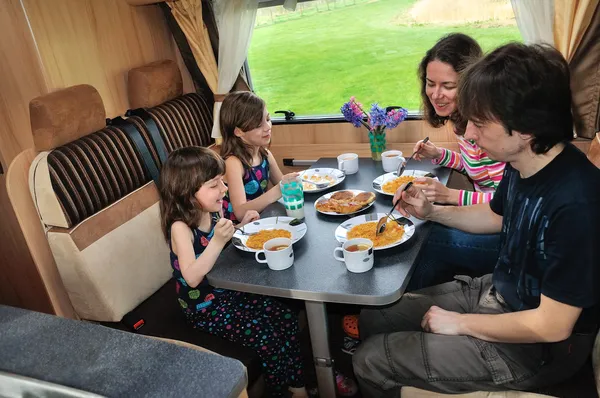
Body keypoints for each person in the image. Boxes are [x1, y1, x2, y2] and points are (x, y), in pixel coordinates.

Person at [352, 43, 600, 397]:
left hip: (536, 352)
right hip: (498, 293)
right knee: (372, 317)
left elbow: (553, 325)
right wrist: (432, 212)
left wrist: (461, 324)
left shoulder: (578, 202)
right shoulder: (522, 162)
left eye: (480, 123)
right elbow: (494, 215)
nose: (468, 134)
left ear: (526, 129)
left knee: (369, 361)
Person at [159, 146, 309, 398]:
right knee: (268, 340)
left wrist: (240, 226)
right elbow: (192, 277)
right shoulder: (181, 228)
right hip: (205, 308)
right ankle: (279, 392)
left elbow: (225, 237)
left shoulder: (214, 210)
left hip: (231, 291)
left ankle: (298, 386)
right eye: (214, 184)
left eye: (222, 181)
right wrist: (218, 241)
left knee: (286, 316)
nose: (224, 189)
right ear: (187, 192)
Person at [409, 33, 504, 289]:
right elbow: (478, 167)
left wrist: (451, 196)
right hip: (487, 220)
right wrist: (439, 155)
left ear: (470, 83)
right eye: (430, 83)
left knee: (423, 239)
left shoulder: (493, 126)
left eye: (447, 86)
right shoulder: (462, 120)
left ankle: (393, 310)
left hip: (505, 236)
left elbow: (507, 202)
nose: (436, 94)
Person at [220, 91, 294, 222]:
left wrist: (293, 182)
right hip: (239, 231)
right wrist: (278, 190)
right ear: (239, 131)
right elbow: (240, 213)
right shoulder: (233, 163)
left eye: (268, 119)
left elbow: (283, 184)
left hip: (262, 220)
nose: (267, 127)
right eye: (259, 125)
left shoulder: (264, 153)